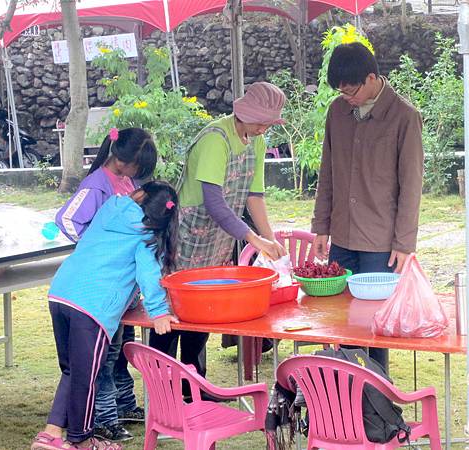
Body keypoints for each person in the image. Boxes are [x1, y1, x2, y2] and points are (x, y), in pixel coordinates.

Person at [149, 81, 287, 395]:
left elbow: (254, 195)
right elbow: (214, 203)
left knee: (203, 310)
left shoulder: (256, 140)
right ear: (246, 112)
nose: (265, 129)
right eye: (262, 122)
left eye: (269, 123)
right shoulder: (216, 139)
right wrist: (254, 239)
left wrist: (271, 239)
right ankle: (162, 389)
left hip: (221, 235)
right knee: (172, 313)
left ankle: (194, 385)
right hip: (188, 234)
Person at [32, 181, 180, 450]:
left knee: (72, 370)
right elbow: (148, 274)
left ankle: (51, 434)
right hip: (93, 306)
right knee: (87, 375)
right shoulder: (146, 234)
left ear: (140, 194)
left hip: (61, 292)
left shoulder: (110, 207)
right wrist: (159, 312)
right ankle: (82, 440)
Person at [311, 42, 424, 369]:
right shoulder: (337, 111)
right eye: (340, 92)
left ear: (372, 77)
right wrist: (321, 226)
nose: (346, 97)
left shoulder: (405, 117)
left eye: (351, 90)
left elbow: (411, 187)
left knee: (375, 326)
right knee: (342, 322)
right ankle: (342, 399)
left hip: (380, 242)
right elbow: (327, 171)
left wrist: (404, 244)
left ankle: (376, 404)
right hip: (342, 237)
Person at [55, 127, 156, 442]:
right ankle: (103, 418)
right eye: (140, 168)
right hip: (97, 288)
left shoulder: (126, 182)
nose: (140, 175)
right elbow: (66, 219)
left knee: (117, 352)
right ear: (124, 160)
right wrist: (97, 248)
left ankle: (124, 405)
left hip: (118, 291)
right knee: (101, 360)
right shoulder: (96, 184)